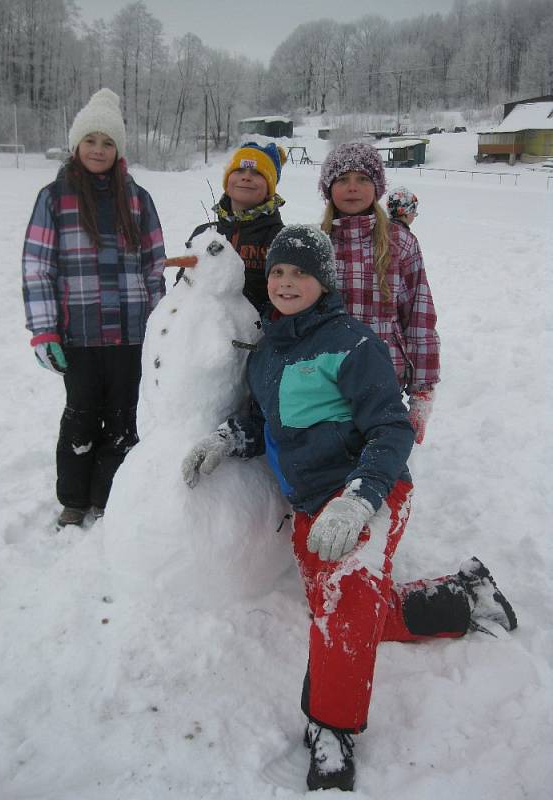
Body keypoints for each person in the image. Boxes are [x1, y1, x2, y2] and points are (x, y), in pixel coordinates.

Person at [180, 225, 517, 792]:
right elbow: (267, 419)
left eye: (300, 273)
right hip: (313, 504)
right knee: (350, 609)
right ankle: (464, 597)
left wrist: (360, 501)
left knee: (341, 607)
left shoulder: (355, 344)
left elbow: (391, 427)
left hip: (371, 494)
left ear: (323, 281)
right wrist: (228, 438)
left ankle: (332, 729)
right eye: (280, 272)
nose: (287, 282)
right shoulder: (267, 351)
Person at [22, 88, 166, 528]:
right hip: (78, 334)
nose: (99, 150)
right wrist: (44, 331)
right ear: (76, 145)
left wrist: (161, 327)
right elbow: (36, 268)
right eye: (91, 141)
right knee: (82, 413)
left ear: (118, 148)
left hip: (129, 332)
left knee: (123, 415)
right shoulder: (54, 197)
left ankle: (108, 495)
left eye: (107, 142)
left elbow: (154, 264)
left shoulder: (137, 198)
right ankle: (73, 498)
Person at [320, 143, 438, 445]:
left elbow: (419, 316)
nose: (352, 188)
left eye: (363, 179)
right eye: (343, 179)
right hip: (325, 379)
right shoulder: (317, 243)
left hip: (385, 378)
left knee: (384, 465)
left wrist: (422, 391)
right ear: (329, 188)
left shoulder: (401, 243)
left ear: (377, 188)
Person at [184, 141, 286, 312]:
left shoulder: (280, 239)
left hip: (256, 336)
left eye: (257, 173)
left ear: (270, 187)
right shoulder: (203, 234)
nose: (246, 177)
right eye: (238, 170)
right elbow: (182, 287)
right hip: (202, 333)